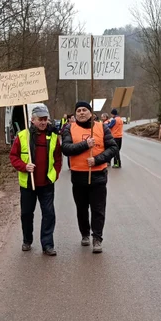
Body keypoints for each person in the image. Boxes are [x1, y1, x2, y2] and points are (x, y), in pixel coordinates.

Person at [61, 101, 118, 253]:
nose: (81, 112)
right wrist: (85, 144)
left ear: (91, 113)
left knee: (98, 209)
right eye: (78, 110)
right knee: (82, 208)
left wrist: (98, 159)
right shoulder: (69, 128)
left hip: (98, 176)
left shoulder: (101, 127)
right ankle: (85, 234)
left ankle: (97, 238)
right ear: (75, 114)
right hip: (78, 177)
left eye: (84, 110)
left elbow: (113, 147)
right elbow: (66, 149)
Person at [9, 104, 62, 255]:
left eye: (45, 119)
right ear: (32, 120)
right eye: (40, 119)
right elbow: (13, 157)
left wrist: (55, 174)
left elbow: (58, 158)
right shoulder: (22, 136)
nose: (43, 122)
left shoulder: (53, 136)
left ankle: (47, 245)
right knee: (26, 213)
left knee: (49, 214)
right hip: (28, 184)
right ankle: (27, 240)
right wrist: (24, 166)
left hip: (46, 183)